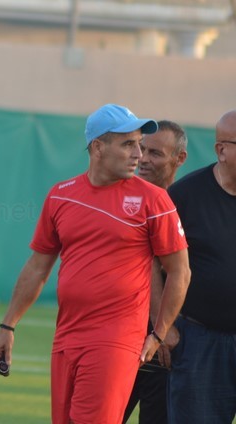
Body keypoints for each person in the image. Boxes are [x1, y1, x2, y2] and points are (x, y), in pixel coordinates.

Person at [0, 104, 191, 424]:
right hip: (66, 336)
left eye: (140, 143)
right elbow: (38, 266)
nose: (138, 153)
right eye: (128, 144)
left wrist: (157, 333)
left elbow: (180, 271)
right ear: (98, 147)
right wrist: (7, 325)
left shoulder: (153, 200)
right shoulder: (61, 195)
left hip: (116, 339)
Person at [166, 110, 236, 424]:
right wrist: (161, 325)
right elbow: (152, 265)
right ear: (221, 150)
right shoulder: (184, 195)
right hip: (201, 341)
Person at [123, 120, 188, 424]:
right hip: (120, 336)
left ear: (179, 159)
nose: (144, 158)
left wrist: (162, 329)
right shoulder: (119, 197)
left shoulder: (187, 201)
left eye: (156, 153)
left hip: (163, 343)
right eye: (141, 149)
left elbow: (174, 271)